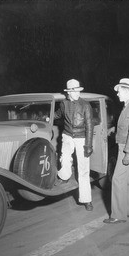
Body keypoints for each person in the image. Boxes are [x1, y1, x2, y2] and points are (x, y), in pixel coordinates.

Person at [103, 78, 129, 224]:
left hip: (128, 147)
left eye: (119, 92)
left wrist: (127, 153)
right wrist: (114, 129)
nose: (118, 94)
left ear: (127, 91)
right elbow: (127, 126)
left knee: (118, 179)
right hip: (126, 145)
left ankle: (118, 215)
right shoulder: (128, 105)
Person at [54, 79, 94, 211]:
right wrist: (47, 117)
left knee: (83, 170)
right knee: (64, 157)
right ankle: (64, 176)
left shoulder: (85, 105)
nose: (77, 93)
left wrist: (88, 145)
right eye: (75, 91)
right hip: (67, 135)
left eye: (78, 91)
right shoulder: (64, 103)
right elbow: (58, 115)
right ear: (69, 92)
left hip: (82, 137)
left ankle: (86, 199)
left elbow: (89, 125)